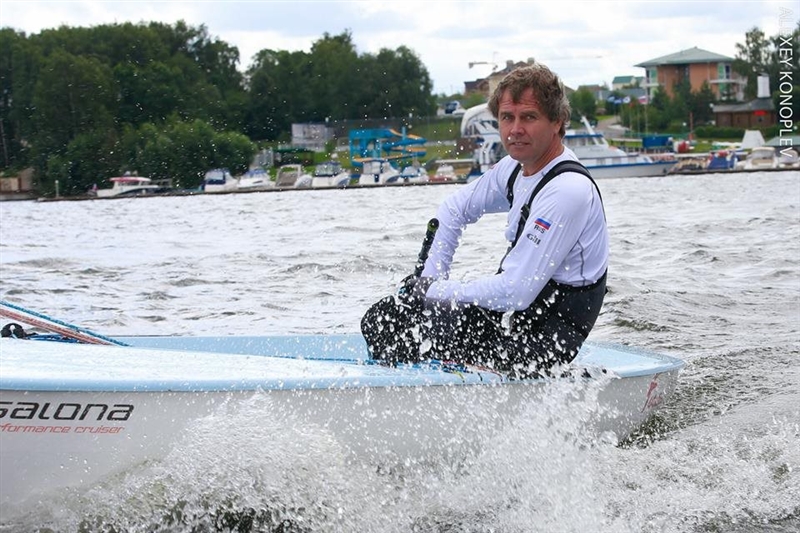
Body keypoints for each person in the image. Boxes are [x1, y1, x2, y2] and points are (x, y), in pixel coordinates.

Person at [361, 63, 609, 379]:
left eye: (528, 117)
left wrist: (435, 291)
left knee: (422, 327)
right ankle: (401, 384)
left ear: (557, 122)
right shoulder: (514, 168)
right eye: (507, 118)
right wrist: (429, 280)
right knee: (384, 319)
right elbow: (453, 210)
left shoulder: (567, 191)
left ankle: (419, 388)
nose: (515, 129)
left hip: (551, 335)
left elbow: (515, 291)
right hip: (515, 317)